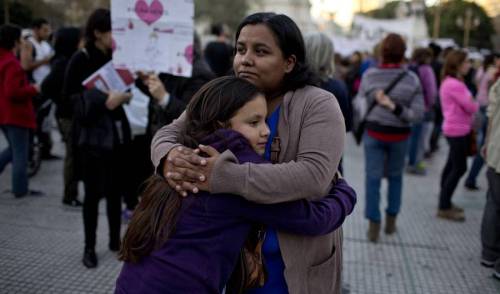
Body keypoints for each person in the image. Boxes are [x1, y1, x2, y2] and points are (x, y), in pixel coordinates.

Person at [151, 12, 347, 294]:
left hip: (292, 261)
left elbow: (312, 175)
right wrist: (170, 157)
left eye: (261, 51)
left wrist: (223, 175)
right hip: (231, 259)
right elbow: (168, 133)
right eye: (240, 49)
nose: (245, 59)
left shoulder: (317, 104)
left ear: (289, 62)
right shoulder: (223, 94)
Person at [116, 76, 356, 294]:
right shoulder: (235, 175)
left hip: (130, 282)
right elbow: (315, 219)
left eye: (265, 120)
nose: (266, 131)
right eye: (254, 123)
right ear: (222, 125)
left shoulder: (185, 155)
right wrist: (345, 191)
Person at [63, 8, 132, 268]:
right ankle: (89, 247)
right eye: (114, 31)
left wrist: (124, 97)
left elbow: (127, 91)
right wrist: (105, 100)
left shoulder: (118, 58)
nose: (118, 37)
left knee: (115, 193)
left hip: (116, 136)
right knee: (92, 195)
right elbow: (69, 101)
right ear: (98, 33)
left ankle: (115, 241)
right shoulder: (80, 59)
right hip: (91, 140)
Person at [355, 33, 424, 242]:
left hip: (373, 134)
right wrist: (397, 109)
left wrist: (386, 104)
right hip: (400, 137)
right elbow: (417, 115)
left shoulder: (369, 75)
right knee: (396, 177)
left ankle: (373, 225)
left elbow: (359, 105)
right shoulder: (412, 79)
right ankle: (391, 221)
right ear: (403, 54)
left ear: (382, 52)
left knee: (372, 178)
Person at [41, 27, 83, 207]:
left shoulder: (68, 60)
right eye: (80, 39)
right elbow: (47, 86)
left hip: (69, 114)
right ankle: (69, 195)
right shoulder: (63, 62)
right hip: (67, 116)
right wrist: (64, 101)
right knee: (72, 155)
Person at [437, 50, 479, 222]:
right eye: (466, 62)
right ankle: (444, 205)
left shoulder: (452, 82)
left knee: (451, 166)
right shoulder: (455, 84)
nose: (469, 65)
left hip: (456, 128)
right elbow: (472, 107)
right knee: (459, 168)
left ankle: (444, 201)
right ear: (458, 64)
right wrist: (472, 100)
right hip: (457, 130)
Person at [0, 24, 41, 198]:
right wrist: (33, 89)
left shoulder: (4, 59)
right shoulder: (11, 63)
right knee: (20, 154)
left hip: (5, 113)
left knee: (13, 150)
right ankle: (20, 189)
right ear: (15, 41)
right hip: (16, 115)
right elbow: (12, 91)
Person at [20, 18, 57, 160]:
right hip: (34, 89)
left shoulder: (46, 45)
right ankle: (30, 152)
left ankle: (45, 150)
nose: (47, 33)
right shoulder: (29, 44)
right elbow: (25, 66)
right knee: (35, 121)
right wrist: (45, 61)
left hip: (46, 89)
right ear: (36, 29)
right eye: (44, 30)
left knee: (45, 121)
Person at [464, 53, 500, 190]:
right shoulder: (493, 73)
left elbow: (477, 83)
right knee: (486, 144)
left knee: (483, 142)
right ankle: (472, 177)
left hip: (481, 104)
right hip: (488, 108)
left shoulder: (482, 70)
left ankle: (471, 177)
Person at [480, 73, 500, 281]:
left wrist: (486, 144)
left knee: (493, 203)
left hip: (496, 150)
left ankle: (489, 253)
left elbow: (491, 115)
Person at [406, 48, 437, 175]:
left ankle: (409, 161)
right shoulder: (427, 70)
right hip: (422, 108)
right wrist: (429, 105)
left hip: (408, 108)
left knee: (411, 137)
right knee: (420, 140)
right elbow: (431, 91)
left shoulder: (409, 68)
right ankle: (416, 164)